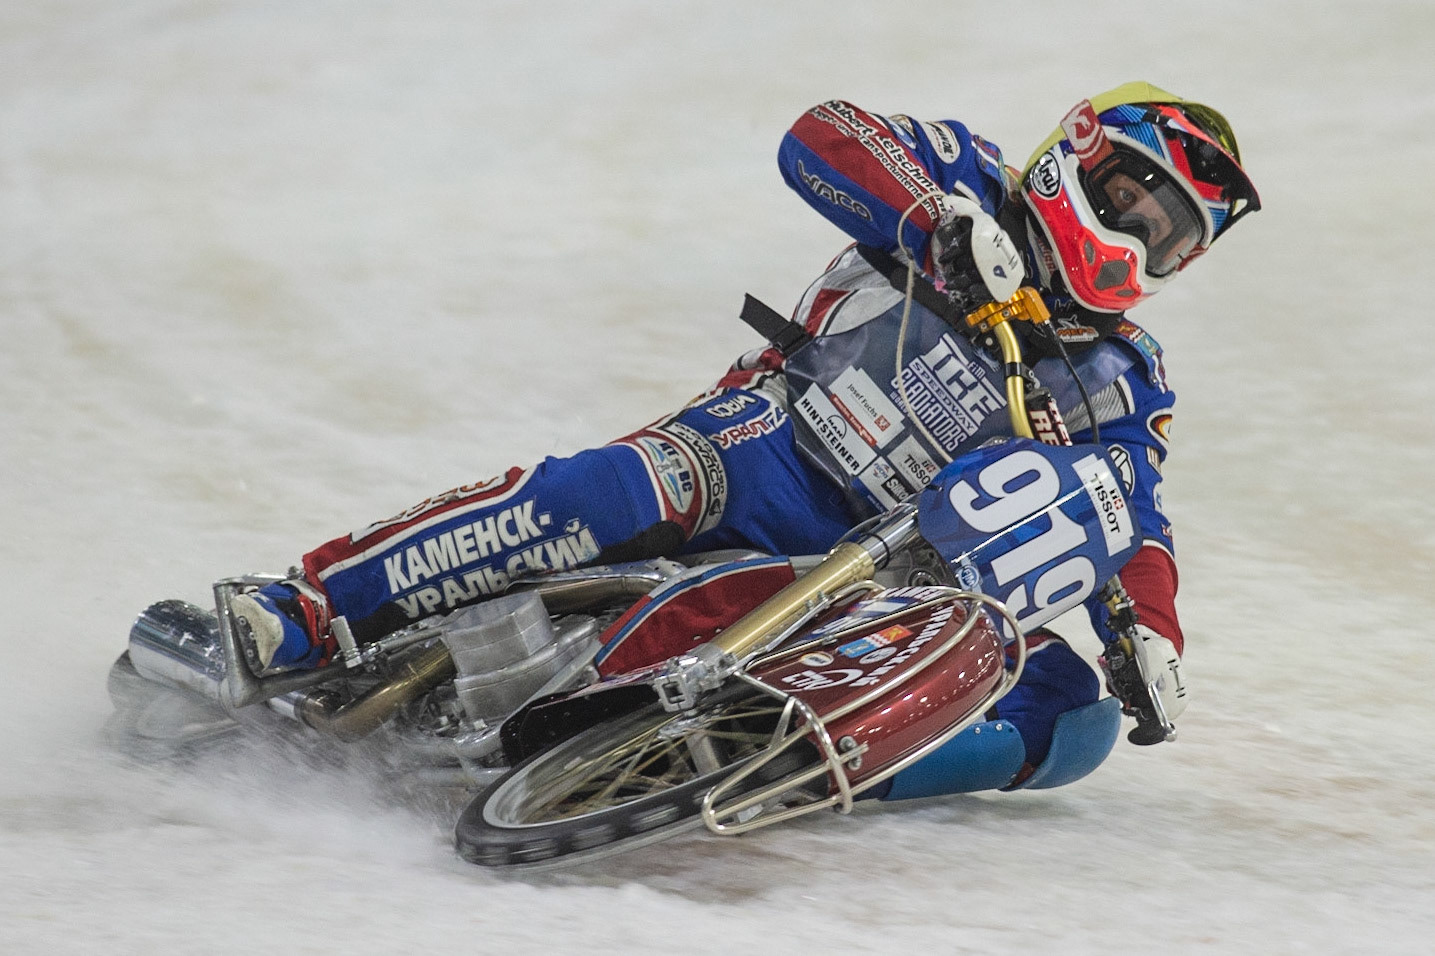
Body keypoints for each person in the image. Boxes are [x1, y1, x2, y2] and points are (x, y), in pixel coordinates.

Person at [230, 81, 1259, 786]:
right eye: (1132, 197)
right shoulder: (963, 173)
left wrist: (1151, 638)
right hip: (763, 442)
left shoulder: (1126, 375)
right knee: (602, 496)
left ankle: (775, 765)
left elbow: (1128, 512)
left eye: (1166, 232)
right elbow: (820, 135)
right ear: (1077, 158)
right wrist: (929, 223)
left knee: (1070, 718)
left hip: (877, 567)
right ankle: (304, 610)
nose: (1138, 233)